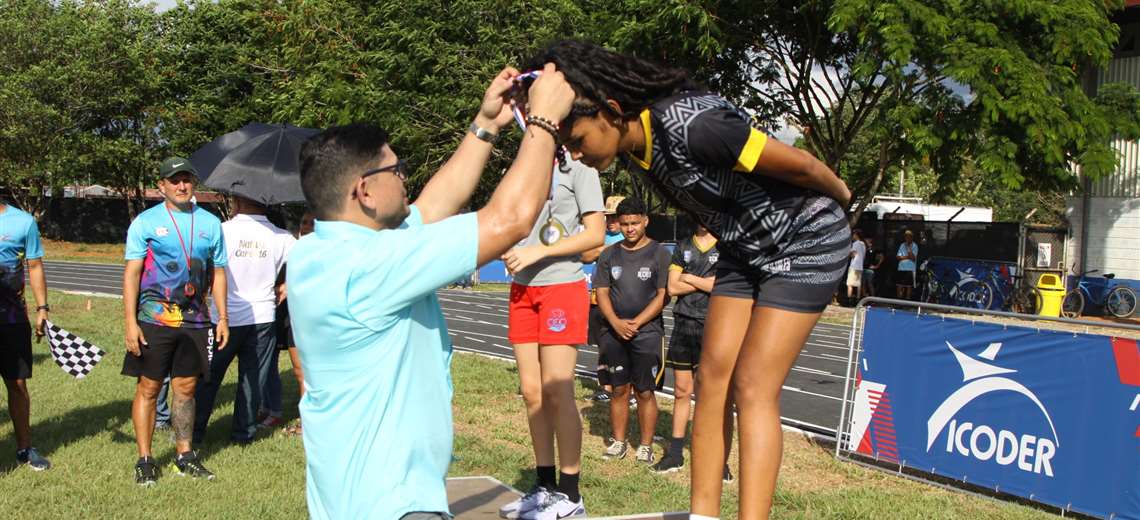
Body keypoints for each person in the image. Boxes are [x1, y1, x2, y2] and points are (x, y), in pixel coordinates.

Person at [525, 41, 852, 519]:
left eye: (577, 141)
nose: (575, 154)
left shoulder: (694, 125)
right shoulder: (635, 145)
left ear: (612, 112)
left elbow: (802, 164)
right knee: (710, 380)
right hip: (744, 249)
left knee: (754, 386)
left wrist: (842, 197)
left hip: (804, 242)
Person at [286, 65, 574, 520]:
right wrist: (543, 123)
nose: (405, 177)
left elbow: (433, 207)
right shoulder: (371, 267)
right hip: (397, 505)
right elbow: (510, 219)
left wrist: (485, 124)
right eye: (396, 169)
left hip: (347, 501)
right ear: (364, 190)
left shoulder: (317, 254)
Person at [497, 158, 604, 519]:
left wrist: (538, 250)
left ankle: (570, 495)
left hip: (562, 285)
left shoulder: (581, 168)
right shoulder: (523, 165)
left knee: (558, 391)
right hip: (522, 289)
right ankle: (544, 487)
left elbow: (595, 235)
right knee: (532, 392)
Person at [122, 157, 229, 486]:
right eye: (174, 180)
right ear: (162, 186)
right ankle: (145, 459)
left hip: (195, 321)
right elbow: (132, 274)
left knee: (186, 389)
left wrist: (222, 316)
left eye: (187, 180)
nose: (182, 186)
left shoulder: (211, 223)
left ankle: (184, 455)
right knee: (150, 388)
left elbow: (219, 273)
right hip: (154, 320)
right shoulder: (146, 222)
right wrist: (129, 322)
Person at [192, 196, 295, 446]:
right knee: (252, 378)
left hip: (224, 318)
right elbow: (307, 262)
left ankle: (194, 433)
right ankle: (243, 435)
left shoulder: (221, 230)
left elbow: (200, 265)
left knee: (208, 378)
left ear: (237, 202)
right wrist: (287, 284)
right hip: (262, 316)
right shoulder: (282, 236)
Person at [593, 198, 671, 466]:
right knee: (618, 389)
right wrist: (615, 322)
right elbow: (601, 292)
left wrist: (637, 322)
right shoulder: (609, 254)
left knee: (645, 391)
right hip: (613, 332)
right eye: (624, 224)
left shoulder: (660, 253)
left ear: (645, 221)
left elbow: (663, 296)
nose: (629, 229)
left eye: (635, 223)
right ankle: (618, 441)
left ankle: (646, 445)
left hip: (647, 332)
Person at [653, 225, 726, 479]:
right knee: (682, 391)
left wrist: (688, 277)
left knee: (711, 394)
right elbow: (672, 288)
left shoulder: (724, 245)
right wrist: (702, 282)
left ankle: (717, 458)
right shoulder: (684, 245)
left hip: (713, 326)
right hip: (683, 324)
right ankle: (675, 453)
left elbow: (720, 287)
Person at [0, 199, 51, 470]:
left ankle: (24, 448)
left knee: (17, 385)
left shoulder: (23, 222)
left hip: (11, 319)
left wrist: (42, 307)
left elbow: (35, 266)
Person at [268, 211, 314, 436]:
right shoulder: (293, 250)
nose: (307, 227)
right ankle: (307, 420)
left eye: (312, 223)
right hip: (291, 317)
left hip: (312, 319)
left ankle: (310, 423)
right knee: (299, 371)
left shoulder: (322, 253)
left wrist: (290, 286)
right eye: (304, 222)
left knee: (309, 372)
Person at [584, 195, 625, 403]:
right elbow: (587, 255)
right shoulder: (600, 236)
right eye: (608, 217)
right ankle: (605, 387)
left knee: (624, 347)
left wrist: (601, 250)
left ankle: (628, 389)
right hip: (596, 301)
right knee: (602, 347)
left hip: (619, 302)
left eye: (615, 218)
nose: (611, 222)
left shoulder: (629, 239)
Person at [896, 230, 918, 300]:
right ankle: (899, 301)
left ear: (912, 237)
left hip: (910, 269)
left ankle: (907, 302)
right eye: (906, 236)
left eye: (908, 236)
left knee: (908, 286)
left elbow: (913, 258)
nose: (907, 238)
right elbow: (898, 257)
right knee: (899, 285)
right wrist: (907, 257)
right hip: (901, 268)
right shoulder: (902, 245)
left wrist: (908, 248)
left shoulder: (915, 246)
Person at [846, 229, 866, 304]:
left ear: (856, 235)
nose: (852, 236)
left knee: (850, 284)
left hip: (854, 265)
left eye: (853, 235)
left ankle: (849, 300)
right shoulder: (863, 244)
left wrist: (849, 253)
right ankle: (858, 300)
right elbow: (863, 256)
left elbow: (853, 255)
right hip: (860, 266)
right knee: (858, 284)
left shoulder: (856, 243)